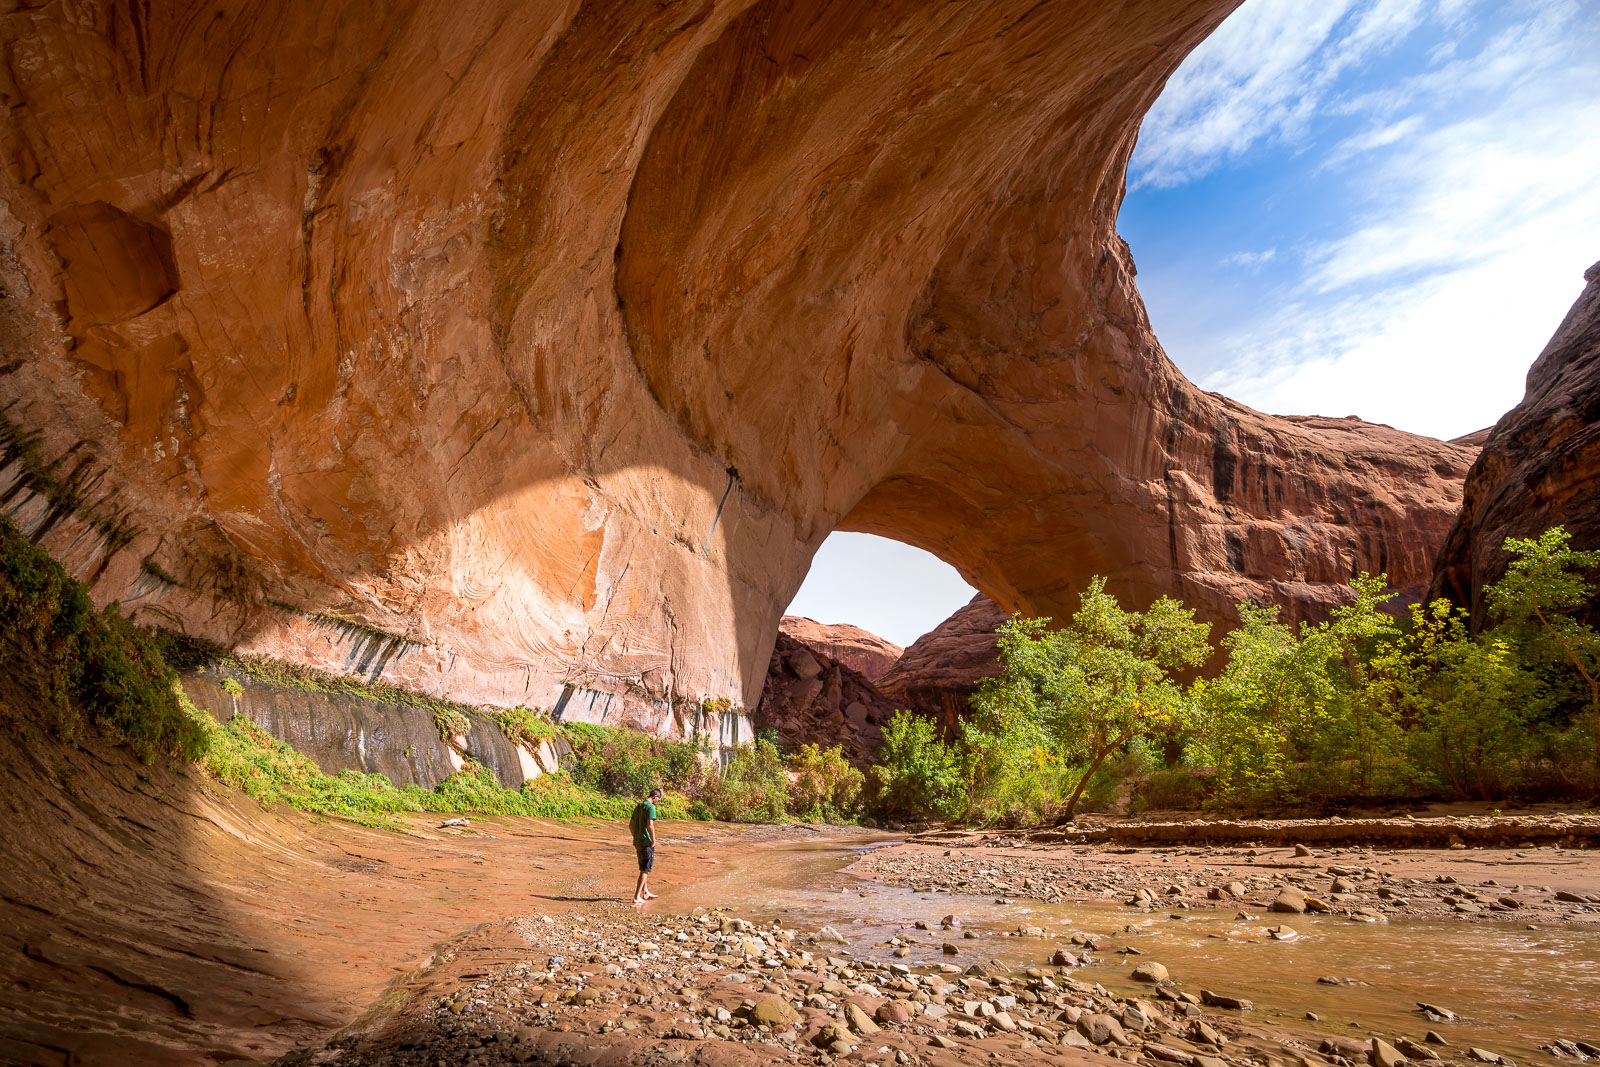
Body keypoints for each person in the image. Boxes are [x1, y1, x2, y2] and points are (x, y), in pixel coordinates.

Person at [630, 786, 662, 905]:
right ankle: (636, 896)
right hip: (646, 842)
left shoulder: (639, 806)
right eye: (658, 800)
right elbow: (650, 825)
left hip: (638, 841)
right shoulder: (651, 807)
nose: (657, 802)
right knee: (644, 870)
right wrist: (653, 840)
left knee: (644, 867)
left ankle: (645, 892)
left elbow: (631, 824)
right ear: (655, 797)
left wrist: (636, 836)